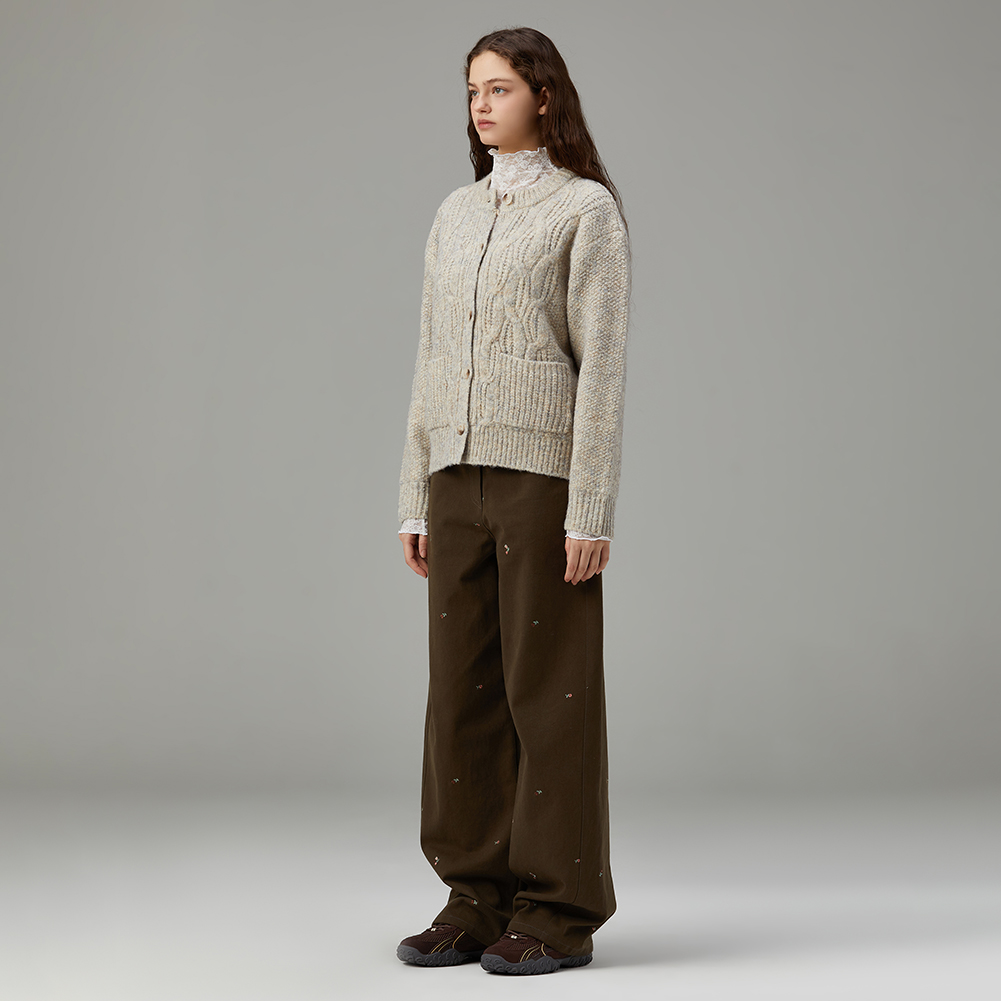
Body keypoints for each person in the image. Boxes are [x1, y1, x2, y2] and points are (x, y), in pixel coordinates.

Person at [395, 26, 630, 976]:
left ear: (543, 95)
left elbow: (602, 367)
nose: (480, 105)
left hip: (541, 484)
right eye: (471, 91)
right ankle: (473, 898)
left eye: (498, 88)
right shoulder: (454, 213)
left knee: (550, 694)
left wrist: (591, 508)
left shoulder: (584, 209)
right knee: (460, 694)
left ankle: (559, 910)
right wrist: (413, 495)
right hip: (453, 477)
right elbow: (429, 355)